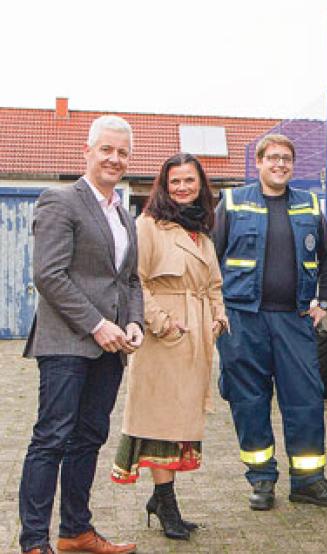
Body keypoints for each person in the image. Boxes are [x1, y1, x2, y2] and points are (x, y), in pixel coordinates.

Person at [18, 115, 143, 554]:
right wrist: (97, 324)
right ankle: (34, 541)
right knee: (51, 438)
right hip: (68, 343)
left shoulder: (125, 215)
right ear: (86, 152)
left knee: (89, 438)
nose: (114, 158)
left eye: (122, 152)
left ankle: (75, 531)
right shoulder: (60, 201)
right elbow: (48, 275)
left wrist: (133, 323)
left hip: (112, 348)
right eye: (106, 149)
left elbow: (129, 281)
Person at [213, 134, 327, 510]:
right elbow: (210, 258)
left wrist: (324, 301)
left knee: (305, 400)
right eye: (273, 158)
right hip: (243, 320)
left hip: (294, 319)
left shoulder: (308, 205)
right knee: (249, 401)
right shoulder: (233, 202)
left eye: (287, 159)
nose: (280, 164)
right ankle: (261, 481)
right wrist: (215, 310)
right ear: (258, 163)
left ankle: (308, 481)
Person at [109, 153, 228, 540]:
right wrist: (162, 323)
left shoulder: (202, 231)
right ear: (164, 185)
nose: (182, 188)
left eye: (189, 181)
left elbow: (213, 284)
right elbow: (135, 281)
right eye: (175, 181)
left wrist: (219, 317)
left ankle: (163, 500)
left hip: (197, 337)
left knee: (181, 423)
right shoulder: (148, 226)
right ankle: (165, 501)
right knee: (160, 423)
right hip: (164, 337)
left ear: (200, 185)